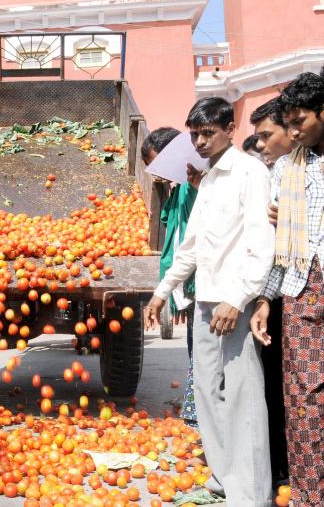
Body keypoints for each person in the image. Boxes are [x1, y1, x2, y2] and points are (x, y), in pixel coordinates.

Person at [144, 97, 275, 506]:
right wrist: (161, 292)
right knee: (205, 391)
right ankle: (223, 477)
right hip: (205, 302)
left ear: (229, 128)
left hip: (233, 303)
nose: (200, 142)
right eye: (195, 134)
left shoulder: (250, 173)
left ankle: (252, 495)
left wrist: (238, 299)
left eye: (207, 133)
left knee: (242, 395)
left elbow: (260, 242)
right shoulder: (210, 178)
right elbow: (191, 246)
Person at [251, 72, 324, 507]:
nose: (294, 132)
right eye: (290, 123)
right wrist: (265, 298)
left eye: (301, 122)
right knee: (303, 398)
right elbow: (280, 247)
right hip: (301, 288)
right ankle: (310, 497)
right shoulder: (287, 169)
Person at [249, 96, 297, 488]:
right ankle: (282, 468)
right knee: (280, 386)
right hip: (281, 294)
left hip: (297, 293)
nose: (261, 145)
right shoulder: (278, 172)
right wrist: (265, 298)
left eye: (267, 136)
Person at [141, 127, 199, 428]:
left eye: (156, 164)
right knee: (197, 353)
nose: (155, 174)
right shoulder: (180, 188)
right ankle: (198, 420)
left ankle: (202, 423)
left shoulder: (191, 188)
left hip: (200, 283)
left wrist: (169, 291)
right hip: (189, 283)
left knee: (202, 356)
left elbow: (188, 243)